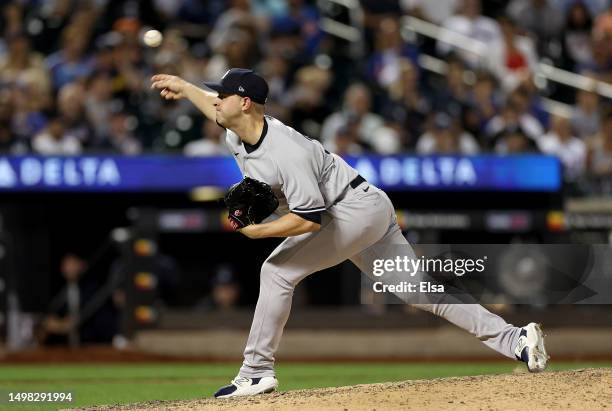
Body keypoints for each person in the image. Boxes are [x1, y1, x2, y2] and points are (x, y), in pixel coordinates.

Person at [150, 68, 549, 399]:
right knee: (418, 291)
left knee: (276, 271)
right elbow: (212, 107)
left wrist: (261, 232)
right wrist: (186, 89)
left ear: (246, 103)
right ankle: (516, 339)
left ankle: (256, 371)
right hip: (366, 206)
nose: (215, 100)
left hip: (350, 210)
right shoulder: (234, 129)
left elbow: (309, 220)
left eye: (223, 95)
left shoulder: (287, 151)